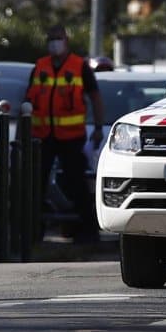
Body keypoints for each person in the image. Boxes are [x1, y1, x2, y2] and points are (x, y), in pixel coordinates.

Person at [25, 25, 105, 244]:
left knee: (76, 182)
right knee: (36, 183)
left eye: (57, 38)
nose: (54, 43)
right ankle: (33, 230)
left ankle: (87, 231)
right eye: (50, 39)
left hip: (71, 137)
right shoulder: (40, 66)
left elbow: (95, 98)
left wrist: (98, 128)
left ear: (66, 41)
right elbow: (28, 101)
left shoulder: (80, 66)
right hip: (43, 136)